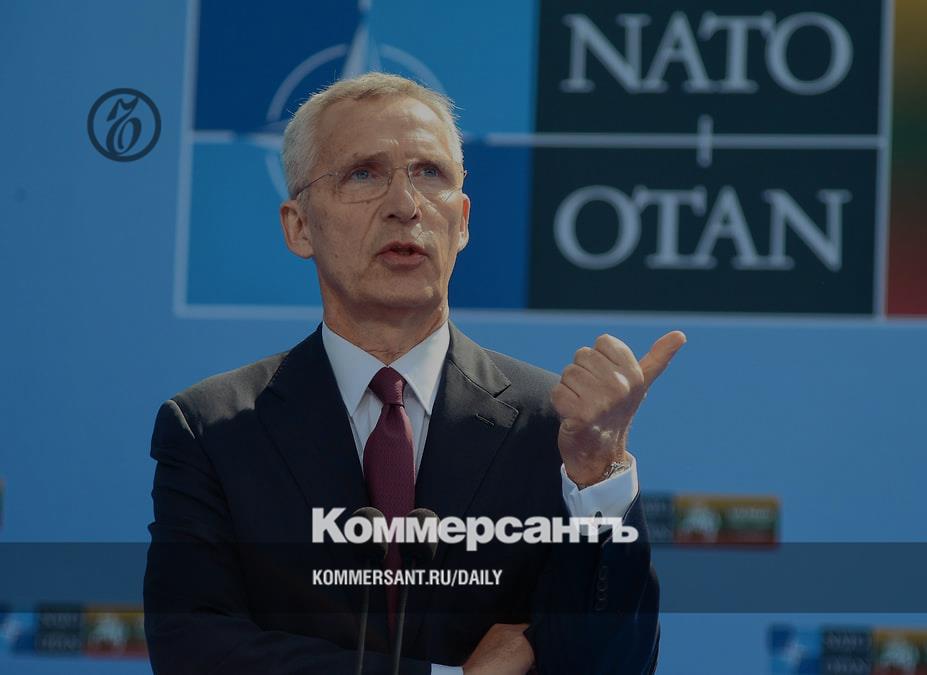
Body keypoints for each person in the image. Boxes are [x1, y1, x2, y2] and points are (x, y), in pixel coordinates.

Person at [143, 72, 683, 674]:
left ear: (463, 220)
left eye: (430, 174)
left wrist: (599, 473)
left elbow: (615, 666)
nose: (405, 205)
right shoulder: (212, 429)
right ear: (299, 226)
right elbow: (192, 647)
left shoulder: (552, 427)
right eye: (363, 174)